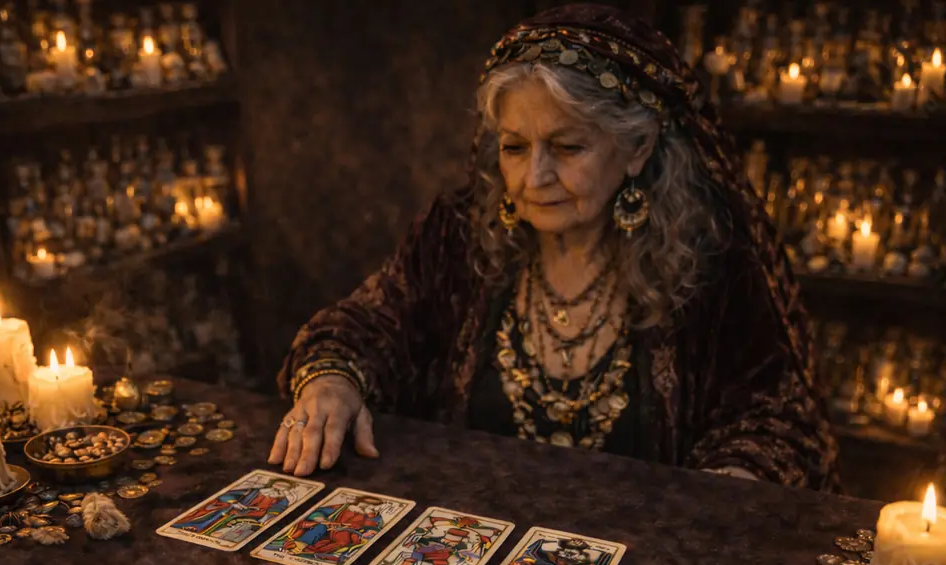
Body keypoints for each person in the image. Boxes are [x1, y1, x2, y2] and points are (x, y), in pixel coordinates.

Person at [268, 4, 838, 491]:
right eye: (515, 147)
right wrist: (333, 382)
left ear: (636, 148)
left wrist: (722, 492)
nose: (533, 177)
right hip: (468, 548)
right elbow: (368, 325)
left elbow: (775, 422)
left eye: (567, 147)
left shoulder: (711, 259)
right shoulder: (459, 232)